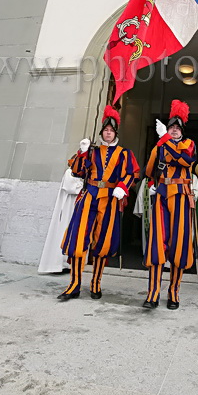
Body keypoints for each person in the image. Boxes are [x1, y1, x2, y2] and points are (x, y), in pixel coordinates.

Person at [57, 105, 139, 301]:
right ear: (101, 133)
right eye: (105, 130)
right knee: (78, 240)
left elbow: (132, 173)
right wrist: (82, 152)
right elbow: (77, 171)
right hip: (89, 195)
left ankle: (96, 283)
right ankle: (74, 284)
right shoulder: (92, 151)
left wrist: (123, 186)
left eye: (111, 131)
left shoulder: (124, 153)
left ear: (115, 133)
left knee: (103, 243)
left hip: (110, 198)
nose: (108, 133)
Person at [142, 100, 197, 310]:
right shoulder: (160, 146)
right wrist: (159, 146)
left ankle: (174, 292)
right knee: (157, 242)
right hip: (163, 195)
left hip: (182, 196)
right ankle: (153, 292)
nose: (174, 131)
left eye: (177, 128)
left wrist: (165, 140)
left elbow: (185, 161)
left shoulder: (189, 144)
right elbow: (149, 170)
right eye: (171, 128)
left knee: (179, 244)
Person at [38, 167, 83, 274]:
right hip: (69, 205)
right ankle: (57, 264)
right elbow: (70, 188)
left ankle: (69, 263)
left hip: (78, 205)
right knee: (63, 231)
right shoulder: (70, 172)